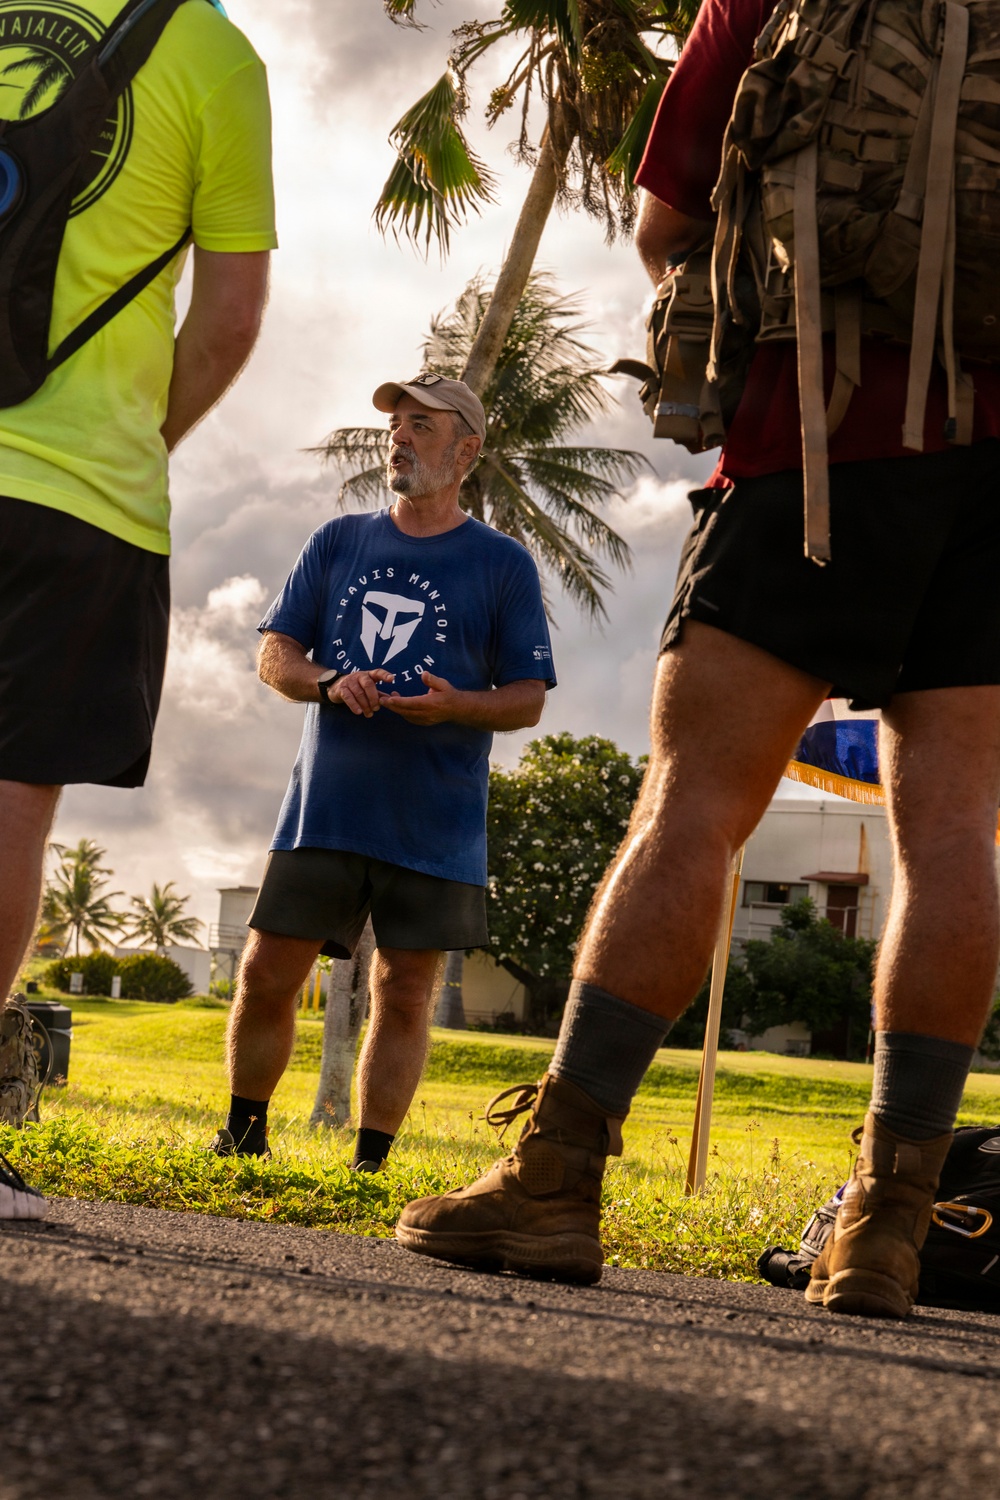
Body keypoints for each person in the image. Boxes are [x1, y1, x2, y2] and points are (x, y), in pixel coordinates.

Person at [395, 0, 1000, 1320]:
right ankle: (888, 1230)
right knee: (955, 831)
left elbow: (670, 223)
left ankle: (556, 1175)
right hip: (992, 478)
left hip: (819, 441)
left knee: (696, 812)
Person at [0, 0, 276, 1220]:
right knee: (7, 810)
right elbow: (228, 318)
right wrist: (133, 444)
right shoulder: (211, 54)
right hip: (77, 495)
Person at [212, 374, 555, 1169]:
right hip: (325, 810)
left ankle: (369, 1163)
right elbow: (276, 655)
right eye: (395, 426)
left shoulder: (503, 565)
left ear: (466, 451)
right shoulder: (338, 542)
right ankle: (242, 1137)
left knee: (404, 994)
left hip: (435, 825)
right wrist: (330, 681)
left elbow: (528, 698)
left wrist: (456, 705)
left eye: (422, 427)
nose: (399, 438)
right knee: (267, 975)